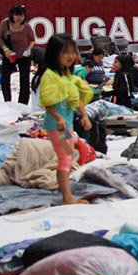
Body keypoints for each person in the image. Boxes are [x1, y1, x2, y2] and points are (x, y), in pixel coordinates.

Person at [32, 34, 93, 206]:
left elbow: (76, 99)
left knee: (67, 156)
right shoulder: (50, 76)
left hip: (67, 124)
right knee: (66, 157)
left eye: (73, 52)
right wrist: (58, 118)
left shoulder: (67, 76)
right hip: (57, 126)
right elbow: (48, 103)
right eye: (66, 52)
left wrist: (85, 115)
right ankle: (67, 197)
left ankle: (66, 193)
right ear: (55, 53)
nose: (71, 56)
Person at [0, 5, 35, 105]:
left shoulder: (27, 26)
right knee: (5, 79)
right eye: (17, 15)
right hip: (9, 55)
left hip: (24, 56)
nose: (19, 18)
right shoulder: (5, 23)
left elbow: (33, 40)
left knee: (24, 81)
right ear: (12, 15)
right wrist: (5, 49)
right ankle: (7, 102)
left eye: (21, 16)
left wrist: (29, 49)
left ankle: (22, 104)